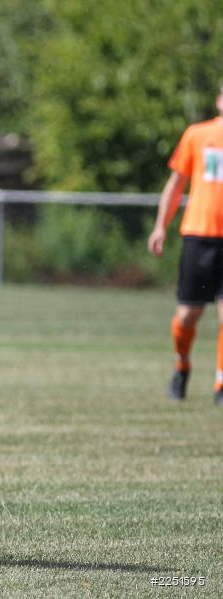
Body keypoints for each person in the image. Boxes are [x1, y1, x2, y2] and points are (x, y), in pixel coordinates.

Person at [149, 86, 223, 406]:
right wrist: (160, 226)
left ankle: (221, 383)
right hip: (199, 235)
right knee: (187, 315)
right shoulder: (197, 134)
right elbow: (176, 183)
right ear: (219, 100)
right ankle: (181, 365)